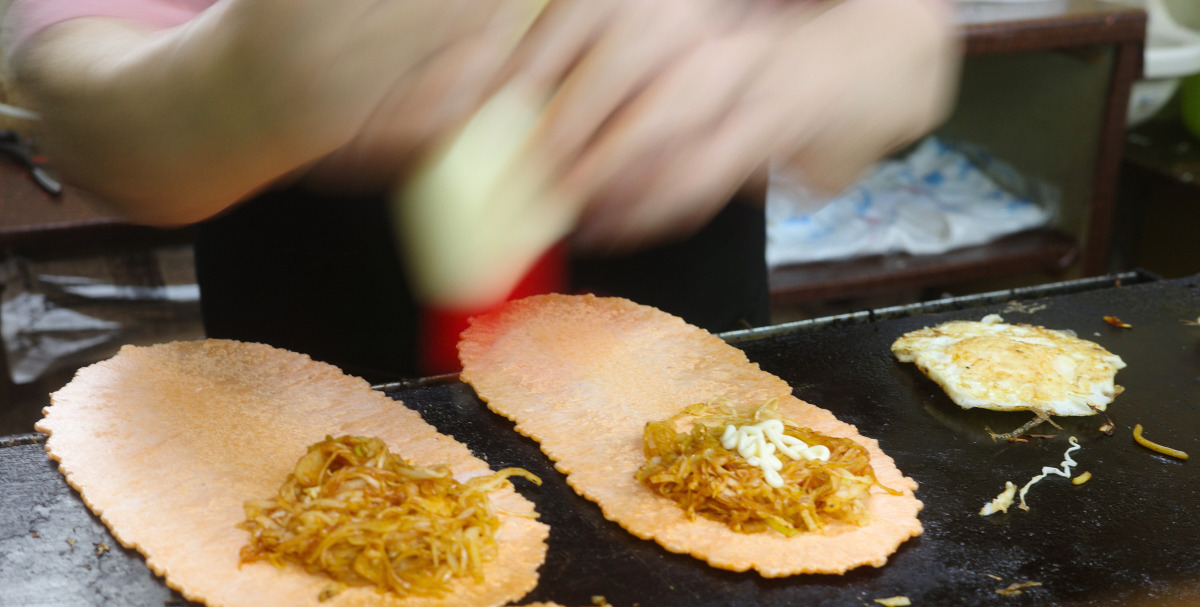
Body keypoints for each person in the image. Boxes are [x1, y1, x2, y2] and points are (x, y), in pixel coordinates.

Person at [2, 0, 959, 381]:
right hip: (313, 399)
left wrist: (816, 68)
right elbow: (71, 93)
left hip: (675, 371)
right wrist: (215, 95)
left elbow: (905, 44)